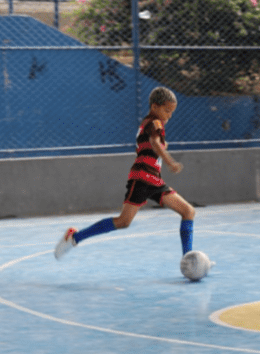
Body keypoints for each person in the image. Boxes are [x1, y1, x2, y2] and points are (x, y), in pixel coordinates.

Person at [54, 87, 195, 260]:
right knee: (125, 221)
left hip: (152, 179)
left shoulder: (148, 123)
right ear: (154, 106)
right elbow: (155, 142)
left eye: (172, 112)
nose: (169, 116)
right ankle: (74, 237)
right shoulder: (155, 122)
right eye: (167, 110)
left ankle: (188, 259)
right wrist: (170, 161)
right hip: (143, 178)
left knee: (187, 212)